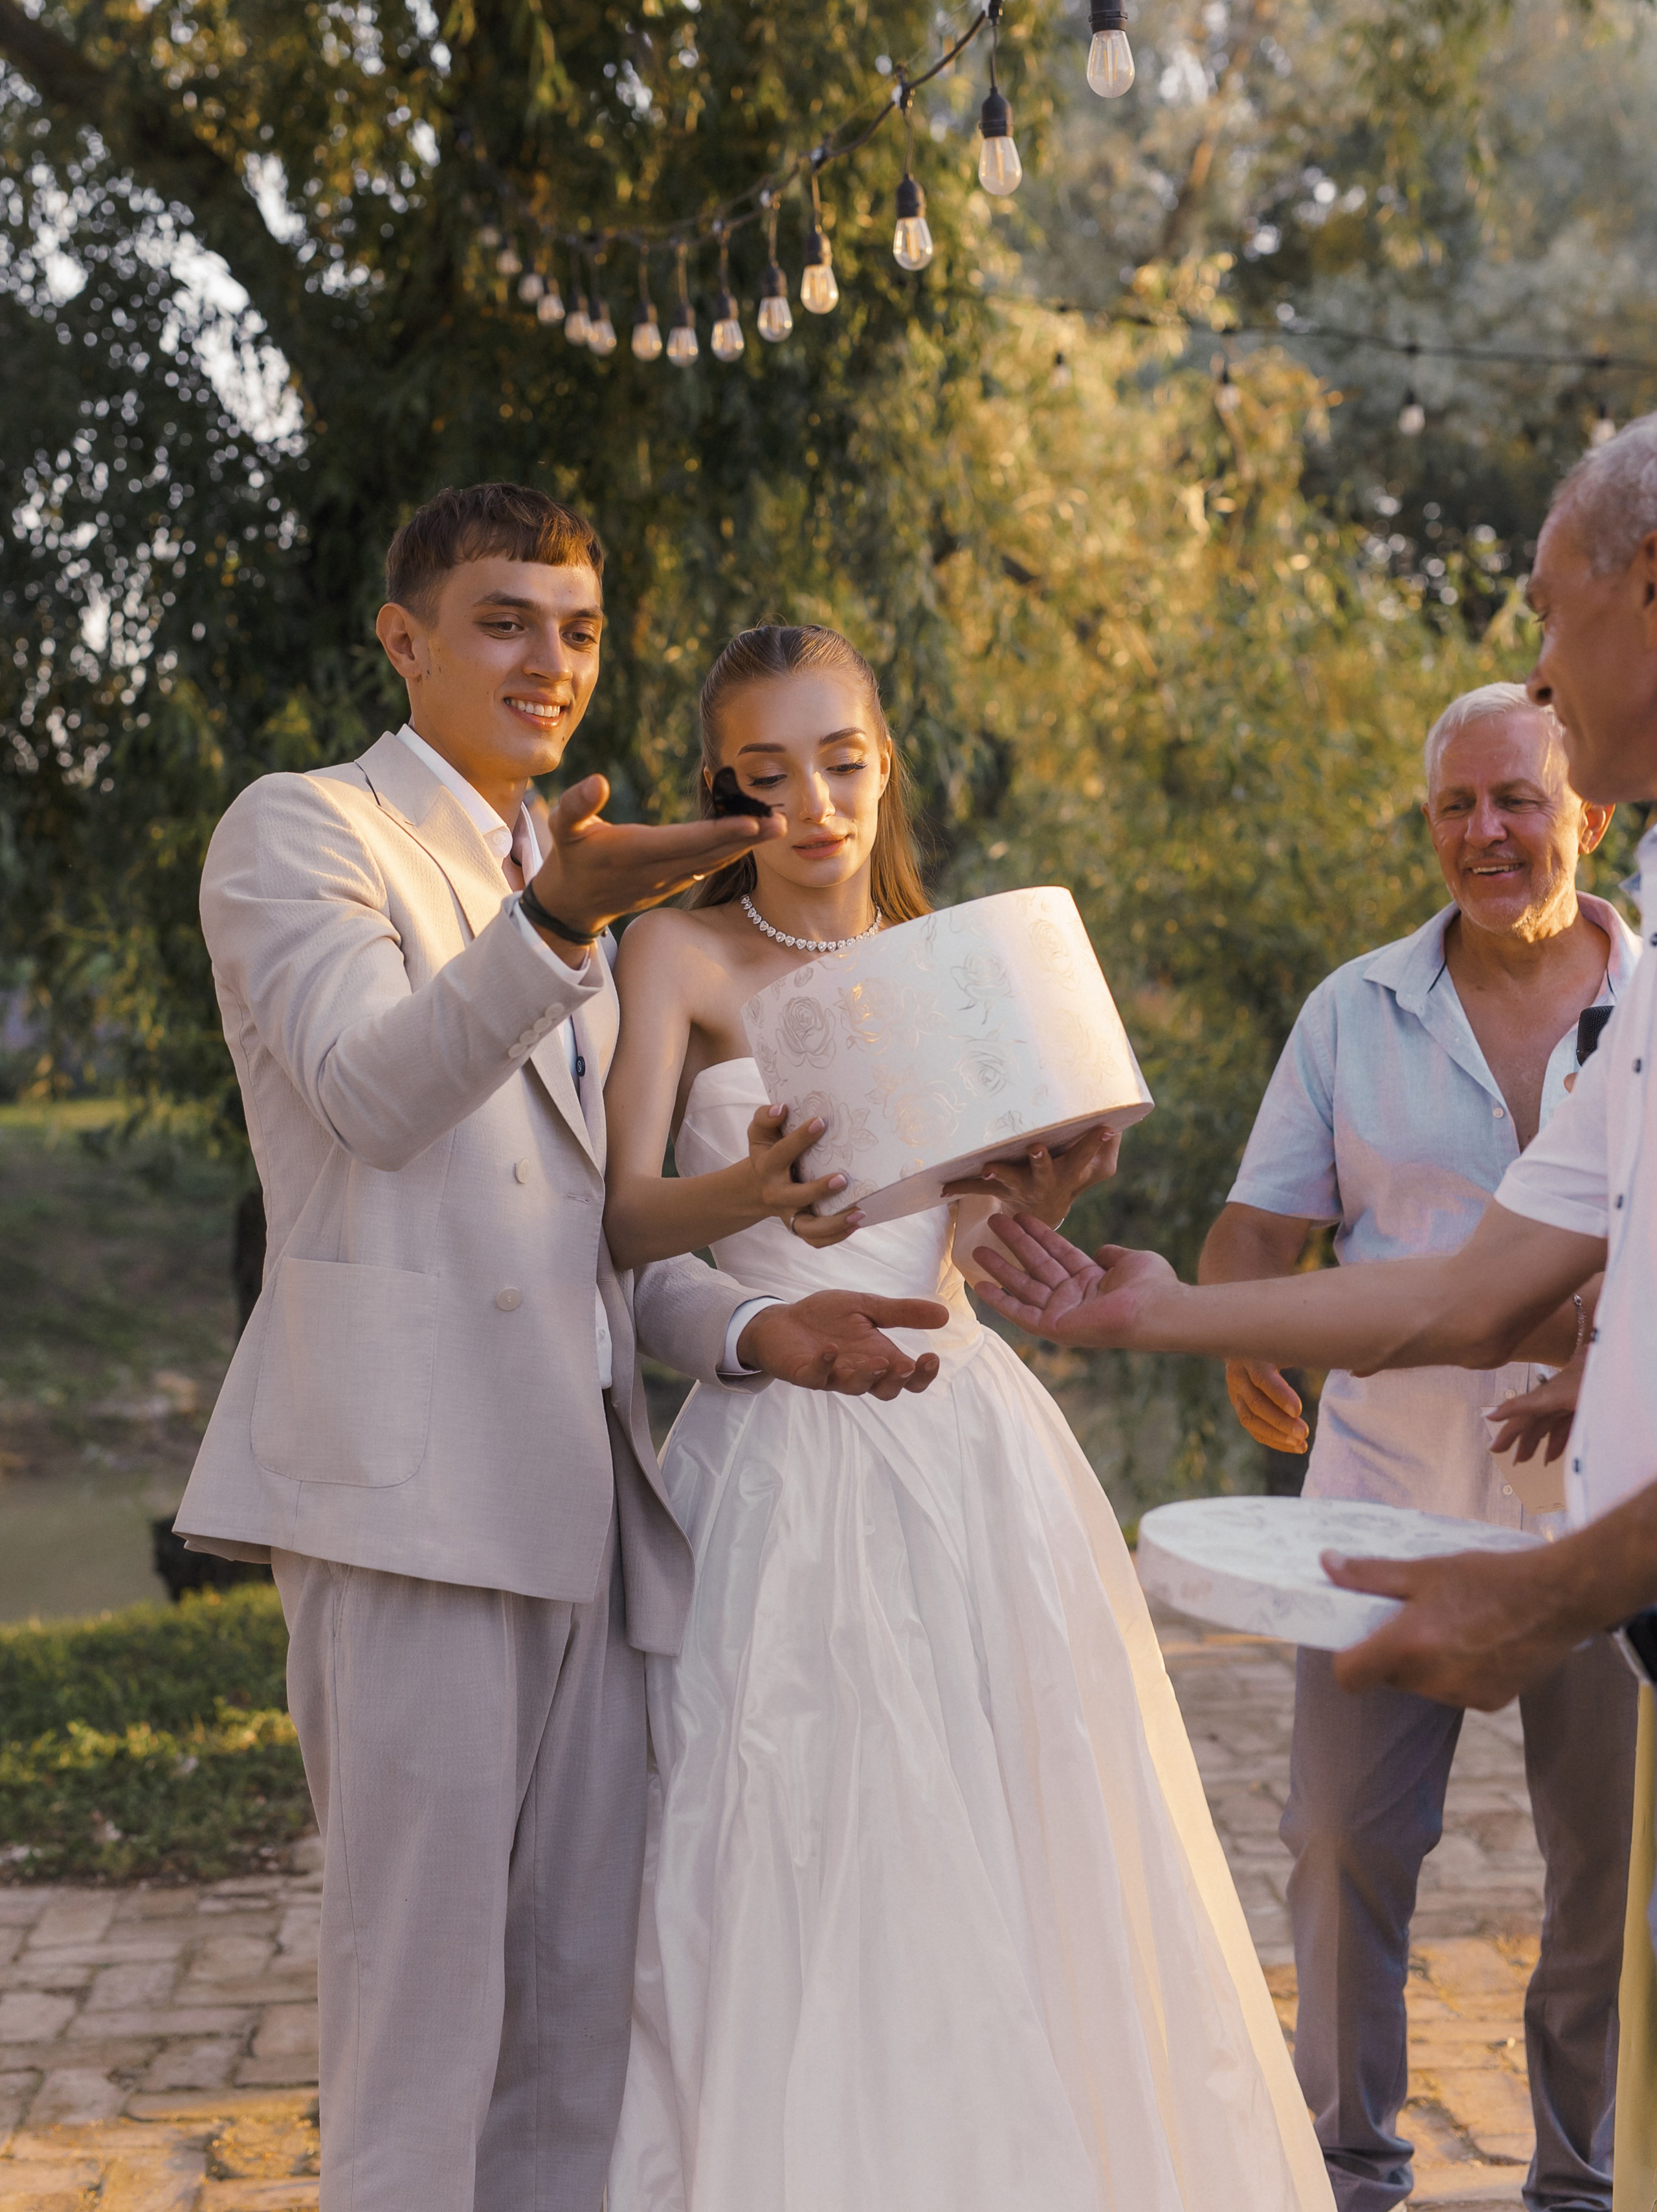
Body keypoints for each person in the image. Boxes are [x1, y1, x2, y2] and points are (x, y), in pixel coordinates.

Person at [173, 487, 950, 2212]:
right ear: (407, 639)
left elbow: (597, 1249)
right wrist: (549, 931)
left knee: (579, 2036)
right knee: (420, 2032)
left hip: (594, 1519)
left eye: (580, 628)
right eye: (505, 618)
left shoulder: (565, 884)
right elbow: (375, 1094)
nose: (548, 660)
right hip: (408, 1507)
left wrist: (766, 1323)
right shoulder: (309, 833)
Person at [599, 623, 1335, 2212]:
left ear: (885, 761)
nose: (814, 805)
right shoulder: (675, 955)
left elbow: (986, 1230)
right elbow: (621, 1230)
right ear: (724, 785)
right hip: (775, 1450)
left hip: (968, 1442)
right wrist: (760, 1235)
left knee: (1038, 1841)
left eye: (843, 762)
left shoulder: (960, 966)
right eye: (770, 773)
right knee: (797, 1845)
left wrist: (1046, 1175)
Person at [968, 416, 1657, 1812]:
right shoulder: (1365, 1008)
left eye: (1541, 610)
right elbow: (1460, 1300)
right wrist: (1153, 1313)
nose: (1536, 662)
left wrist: (1559, 1578)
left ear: (1644, 582)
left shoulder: (1629, 983)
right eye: (1451, 806)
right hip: (1409, 1505)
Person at [1200, 680, 1637, 2212]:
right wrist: (1246, 1322)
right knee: (1337, 1845)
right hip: (1380, 1503)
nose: (1482, 831)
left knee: (1602, 1882)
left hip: (1605, 1520)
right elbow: (1256, 1229)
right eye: (1453, 805)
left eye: (1513, 799)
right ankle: (1349, 2172)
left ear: (1583, 816)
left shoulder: (1649, 1008)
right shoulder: (1350, 1012)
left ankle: (1578, 2181)